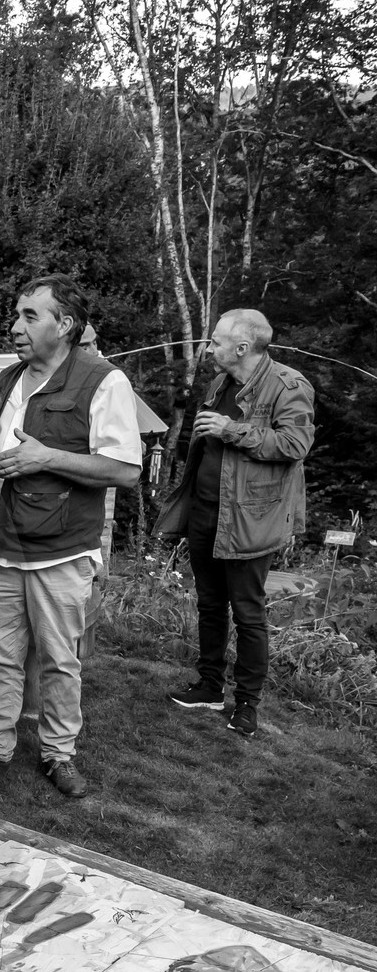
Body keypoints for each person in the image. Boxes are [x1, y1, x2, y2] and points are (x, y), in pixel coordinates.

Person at [0, 276, 143, 799]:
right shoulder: (9, 377)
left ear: (64, 325)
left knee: (60, 661)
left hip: (59, 551)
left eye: (29, 316)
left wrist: (47, 458)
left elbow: (125, 469)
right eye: (17, 315)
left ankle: (58, 753)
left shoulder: (103, 382)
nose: (15, 327)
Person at [157, 308, 314, 739]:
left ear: (242, 347)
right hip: (206, 511)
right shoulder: (220, 382)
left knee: (247, 612)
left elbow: (295, 443)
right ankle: (210, 686)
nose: (209, 347)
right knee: (209, 604)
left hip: (250, 518)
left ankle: (247, 704)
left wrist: (232, 429)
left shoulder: (288, 385)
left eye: (215, 341)